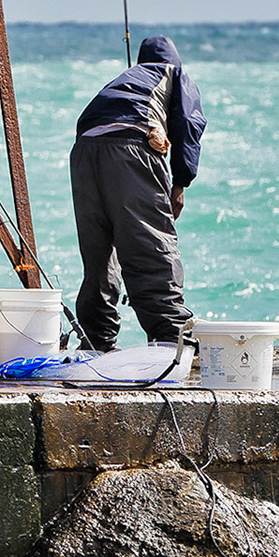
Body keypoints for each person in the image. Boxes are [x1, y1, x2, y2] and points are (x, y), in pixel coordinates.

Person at [71, 35, 205, 350]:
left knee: (99, 251)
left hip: (83, 152)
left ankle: (96, 340)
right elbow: (189, 124)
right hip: (131, 149)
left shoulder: (123, 80)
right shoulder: (175, 73)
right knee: (151, 245)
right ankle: (171, 336)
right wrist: (180, 183)